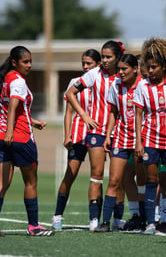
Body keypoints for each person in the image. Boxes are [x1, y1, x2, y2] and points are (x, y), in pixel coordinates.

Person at [0, 46, 55, 237]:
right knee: (31, 182)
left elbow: (14, 110)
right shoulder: (18, 81)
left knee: (2, 183)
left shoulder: (6, 79)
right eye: (25, 62)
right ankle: (34, 227)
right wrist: (11, 131)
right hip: (19, 138)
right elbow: (14, 105)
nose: (29, 65)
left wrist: (33, 121)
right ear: (14, 63)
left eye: (30, 61)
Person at [66, 40, 125, 231]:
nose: (105, 60)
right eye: (104, 56)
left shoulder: (124, 75)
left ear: (117, 58)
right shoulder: (94, 74)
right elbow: (70, 93)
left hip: (120, 132)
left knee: (119, 178)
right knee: (97, 174)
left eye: (109, 57)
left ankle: (117, 218)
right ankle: (94, 219)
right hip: (97, 131)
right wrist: (84, 115)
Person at [134, 37, 166, 234]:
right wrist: (138, 142)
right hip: (150, 140)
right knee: (151, 181)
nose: (150, 71)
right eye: (148, 67)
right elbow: (139, 116)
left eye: (154, 67)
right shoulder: (143, 86)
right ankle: (150, 223)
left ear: (163, 66)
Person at [52, 49, 101, 230]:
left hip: (97, 133)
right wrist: (67, 135)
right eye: (84, 63)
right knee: (70, 174)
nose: (86, 66)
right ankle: (57, 215)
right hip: (78, 134)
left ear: (97, 64)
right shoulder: (75, 83)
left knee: (97, 176)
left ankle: (95, 218)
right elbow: (68, 113)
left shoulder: (101, 81)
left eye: (89, 63)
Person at [94, 54, 143, 232]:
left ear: (135, 69)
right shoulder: (115, 85)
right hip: (121, 138)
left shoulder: (143, 85)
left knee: (142, 179)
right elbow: (113, 112)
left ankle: (142, 218)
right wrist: (108, 136)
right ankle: (105, 222)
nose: (120, 73)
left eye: (124, 69)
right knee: (115, 180)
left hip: (141, 138)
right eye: (119, 69)